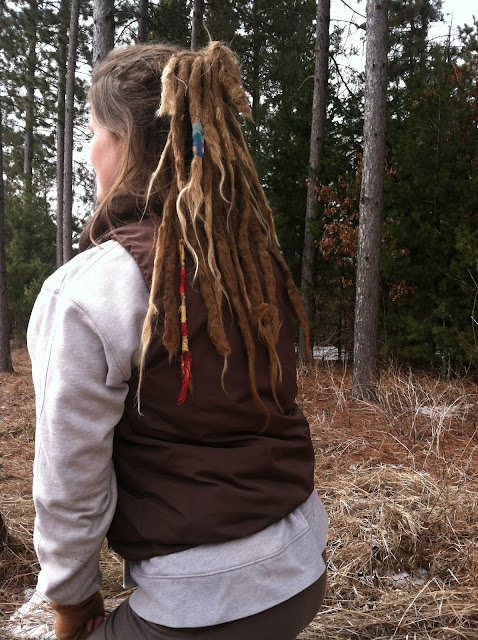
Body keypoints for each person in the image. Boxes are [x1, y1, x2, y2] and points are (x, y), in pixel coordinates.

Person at [26, 42, 328, 640]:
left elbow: (69, 482)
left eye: (93, 133)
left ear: (122, 142)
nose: (88, 152)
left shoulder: (90, 289)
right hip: (301, 569)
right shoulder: (251, 261)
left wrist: (72, 600)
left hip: (203, 605)